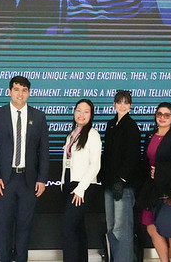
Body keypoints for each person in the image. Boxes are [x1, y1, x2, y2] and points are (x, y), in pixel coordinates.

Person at [0, 75, 50, 262]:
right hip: (4, 180)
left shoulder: (38, 117)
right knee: (3, 225)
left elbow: (43, 150)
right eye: (16, 89)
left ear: (29, 93)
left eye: (24, 90)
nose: (20, 94)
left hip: (28, 181)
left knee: (25, 225)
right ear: (9, 92)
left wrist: (42, 178)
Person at [139, 102, 171, 262]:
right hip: (151, 190)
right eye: (159, 114)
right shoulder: (150, 135)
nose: (162, 118)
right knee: (152, 229)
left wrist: (159, 171)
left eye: (166, 115)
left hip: (169, 190)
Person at [99, 89, 141, 262]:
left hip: (123, 186)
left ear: (130, 105)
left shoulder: (132, 126)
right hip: (109, 184)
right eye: (119, 102)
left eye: (126, 102)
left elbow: (132, 157)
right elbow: (107, 153)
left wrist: (121, 180)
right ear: (114, 104)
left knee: (121, 229)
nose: (122, 105)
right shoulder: (110, 124)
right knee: (111, 228)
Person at [60, 99, 102, 262]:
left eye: (86, 111)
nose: (81, 114)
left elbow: (95, 165)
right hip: (69, 185)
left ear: (91, 115)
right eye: (79, 110)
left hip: (82, 187)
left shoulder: (93, 134)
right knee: (77, 229)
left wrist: (80, 189)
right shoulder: (72, 133)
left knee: (67, 228)